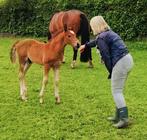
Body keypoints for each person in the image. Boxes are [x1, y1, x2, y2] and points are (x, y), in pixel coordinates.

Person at [79, 16, 134, 129]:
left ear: (94, 26)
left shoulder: (102, 37)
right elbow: (97, 41)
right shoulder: (108, 33)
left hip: (120, 62)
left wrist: (111, 71)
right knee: (119, 90)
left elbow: (106, 56)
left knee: (116, 91)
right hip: (128, 60)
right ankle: (118, 115)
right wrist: (86, 45)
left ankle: (124, 119)